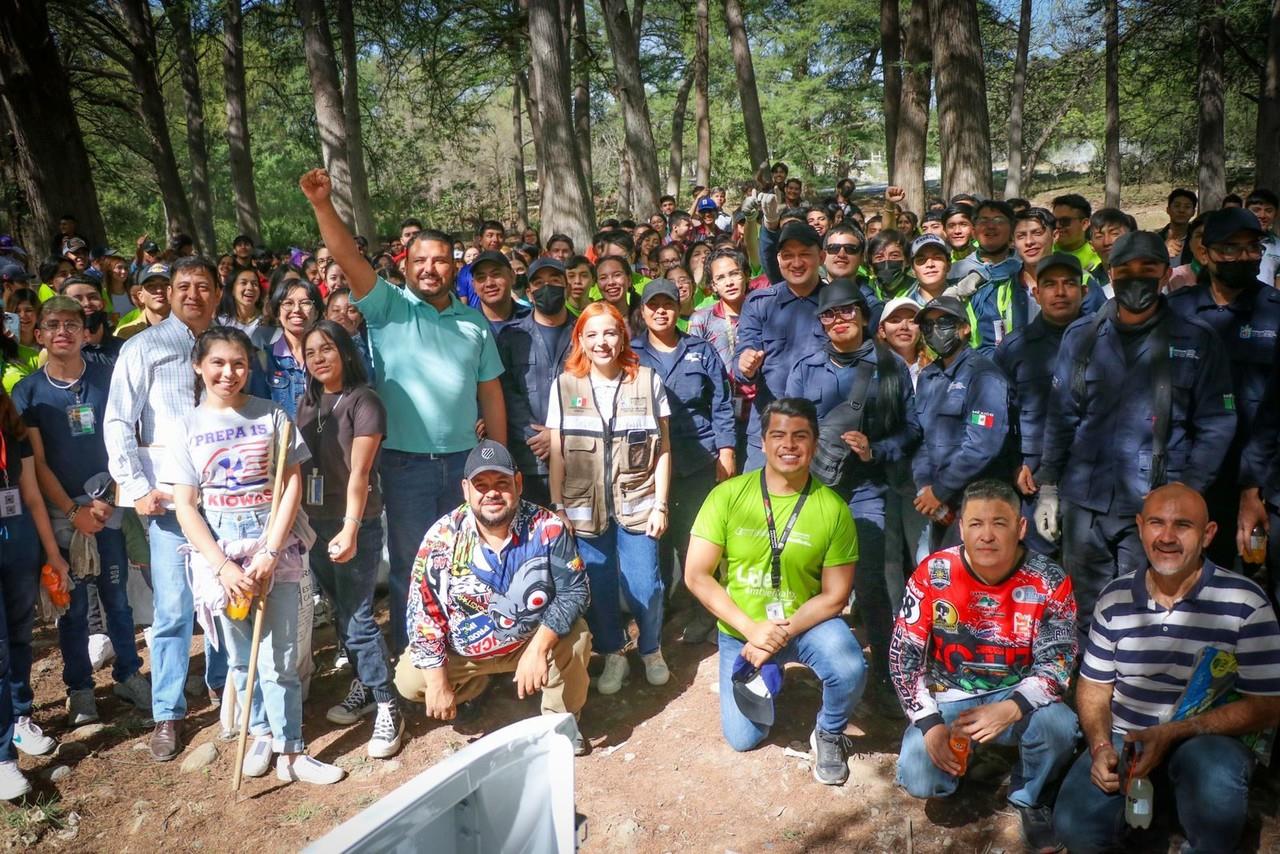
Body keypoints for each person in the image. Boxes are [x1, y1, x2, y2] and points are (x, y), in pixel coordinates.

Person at [300, 168, 506, 655]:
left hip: (465, 466)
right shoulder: (387, 307)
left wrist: (497, 458)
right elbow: (348, 258)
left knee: (466, 564)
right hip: (405, 467)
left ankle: (466, 660)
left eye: (440, 261)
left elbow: (491, 394)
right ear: (406, 265)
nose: (430, 268)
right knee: (416, 566)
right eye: (421, 261)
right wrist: (323, 205)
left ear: (454, 268)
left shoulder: (473, 325)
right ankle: (419, 663)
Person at [1053, 484, 1280, 854]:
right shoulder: (1115, 598)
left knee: (1214, 784)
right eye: (1156, 523)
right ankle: (1153, 815)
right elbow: (1094, 687)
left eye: (1183, 525)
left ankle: (1201, 829)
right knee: (1074, 828)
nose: (1167, 537)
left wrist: (1175, 732)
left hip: (1205, 741)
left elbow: (1269, 705)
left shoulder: (1245, 602)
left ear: (1207, 535)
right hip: (1127, 737)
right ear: (1140, 527)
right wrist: (1097, 746)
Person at [1035, 232, 1236, 647]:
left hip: (1157, 504)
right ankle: (1091, 697)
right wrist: (1049, 486)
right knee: (1085, 611)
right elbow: (1061, 415)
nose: (1137, 279)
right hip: (1085, 502)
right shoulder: (1082, 336)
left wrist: (1188, 492)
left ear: (1166, 274)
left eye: (1148, 269)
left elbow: (1217, 422)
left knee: (1150, 609)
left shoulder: (1196, 339)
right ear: (1110, 274)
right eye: (1125, 270)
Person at [167, 326, 342, 784]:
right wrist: (223, 567)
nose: (229, 373)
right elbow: (186, 506)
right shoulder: (186, 427)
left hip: (272, 544)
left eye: (239, 363)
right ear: (199, 366)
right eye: (219, 363)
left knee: (280, 655)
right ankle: (260, 731)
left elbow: (291, 485)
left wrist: (269, 550)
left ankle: (291, 750)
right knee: (243, 659)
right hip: (219, 552)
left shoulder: (272, 417)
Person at [683, 397, 865, 784]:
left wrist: (777, 636)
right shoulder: (727, 496)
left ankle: (829, 731)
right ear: (763, 443)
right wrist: (753, 632)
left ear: (814, 444)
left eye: (801, 436)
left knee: (849, 666)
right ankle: (769, 670)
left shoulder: (833, 509)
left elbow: (835, 595)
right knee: (744, 739)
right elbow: (697, 575)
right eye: (778, 435)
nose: (789, 445)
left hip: (805, 624)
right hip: (742, 629)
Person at [891, 480, 1078, 851]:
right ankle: (969, 761)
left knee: (1060, 726)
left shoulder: (1049, 579)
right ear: (961, 528)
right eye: (976, 523)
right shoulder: (933, 573)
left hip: (1016, 697)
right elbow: (903, 656)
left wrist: (1010, 708)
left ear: (1020, 528)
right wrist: (929, 725)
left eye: (1000, 523)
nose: (987, 535)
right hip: (950, 697)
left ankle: (1029, 796)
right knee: (919, 778)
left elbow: (1058, 664)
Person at [105, 256, 230, 761]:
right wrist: (135, 486)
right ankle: (168, 713)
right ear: (166, 293)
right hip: (170, 501)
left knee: (226, 601)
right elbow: (118, 421)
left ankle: (228, 689)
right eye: (183, 286)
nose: (193, 294)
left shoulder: (230, 348)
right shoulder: (143, 348)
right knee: (175, 610)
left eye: (204, 286)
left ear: (218, 292)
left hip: (227, 498)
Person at [396, 440, 592, 754]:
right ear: (465, 489)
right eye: (481, 485)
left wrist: (538, 648)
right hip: (466, 652)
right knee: (409, 679)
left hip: (527, 643)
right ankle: (475, 687)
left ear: (518, 483)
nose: (492, 493)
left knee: (578, 637)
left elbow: (575, 590)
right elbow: (424, 614)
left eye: (501, 483)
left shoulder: (548, 527)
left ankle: (561, 721)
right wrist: (437, 682)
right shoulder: (441, 537)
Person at [13, 296, 151, 731]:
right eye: (53, 324)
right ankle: (80, 689)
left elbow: (125, 437)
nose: (63, 332)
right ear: (39, 334)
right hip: (60, 512)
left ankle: (128, 673)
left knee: (117, 597)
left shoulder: (108, 379)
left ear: (85, 331)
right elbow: (35, 462)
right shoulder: (28, 392)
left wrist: (107, 497)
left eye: (72, 324)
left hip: (108, 502)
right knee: (70, 605)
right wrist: (72, 510)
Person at [785, 279, 918, 716]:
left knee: (873, 584)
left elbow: (912, 429)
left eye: (846, 312)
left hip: (867, 489)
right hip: (814, 489)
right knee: (802, 578)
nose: (838, 320)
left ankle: (884, 675)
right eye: (829, 314)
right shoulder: (805, 366)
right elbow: (788, 427)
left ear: (863, 315)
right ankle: (799, 665)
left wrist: (876, 449)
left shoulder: (890, 366)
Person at [547, 302, 671, 695]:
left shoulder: (647, 380)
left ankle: (651, 648)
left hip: (639, 504)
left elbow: (664, 448)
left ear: (623, 336)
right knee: (597, 587)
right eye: (593, 334)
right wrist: (558, 508)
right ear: (580, 339)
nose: (602, 342)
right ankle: (614, 652)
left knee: (647, 585)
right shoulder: (564, 385)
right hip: (583, 511)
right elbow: (557, 452)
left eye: (610, 332)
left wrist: (661, 504)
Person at [295, 320, 400, 758]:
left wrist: (351, 527)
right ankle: (363, 682)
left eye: (328, 349)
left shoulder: (364, 400)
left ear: (346, 352)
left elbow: (360, 472)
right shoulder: (306, 402)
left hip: (354, 520)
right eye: (311, 351)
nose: (319, 358)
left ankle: (388, 703)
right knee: (340, 614)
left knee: (358, 618)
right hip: (313, 521)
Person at [1168, 208, 1280, 569]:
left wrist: (1254, 485)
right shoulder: (1175, 312)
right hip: (1192, 471)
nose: (1244, 257)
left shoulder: (1274, 311)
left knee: (1253, 570)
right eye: (1231, 248)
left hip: (1261, 475)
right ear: (1205, 253)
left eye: (1252, 248)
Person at [632, 279, 736, 597]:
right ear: (642, 311)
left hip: (698, 460)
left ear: (679, 309)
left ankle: (704, 612)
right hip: (647, 465)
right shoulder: (631, 354)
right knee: (655, 543)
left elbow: (721, 402)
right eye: (653, 305)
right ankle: (661, 613)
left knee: (697, 540)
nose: (661, 311)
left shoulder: (700, 350)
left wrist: (727, 451)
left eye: (668, 305)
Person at [0, 374, 72, 797]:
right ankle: (4, 757)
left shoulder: (13, 429)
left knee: (21, 638)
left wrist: (53, 552)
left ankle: (21, 714)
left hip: (20, 547)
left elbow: (30, 497)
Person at [994, 253, 1088, 558]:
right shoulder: (1015, 347)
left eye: (1069, 284)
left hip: (1090, 473)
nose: (1060, 292)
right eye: (1050, 285)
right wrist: (1013, 464)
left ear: (1084, 291)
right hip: (1031, 474)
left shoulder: (1105, 340)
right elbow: (1002, 414)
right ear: (1036, 293)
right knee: (1037, 564)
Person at [909, 296, 1016, 557]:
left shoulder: (983, 375)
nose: (935, 331)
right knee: (945, 582)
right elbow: (922, 440)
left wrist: (941, 490)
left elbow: (982, 446)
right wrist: (926, 490)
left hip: (981, 503)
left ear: (964, 328)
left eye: (944, 322)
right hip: (940, 504)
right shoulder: (928, 376)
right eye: (928, 326)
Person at [733, 221, 828, 470]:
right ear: (778, 259)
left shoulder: (839, 302)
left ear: (821, 256)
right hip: (767, 430)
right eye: (788, 256)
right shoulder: (759, 303)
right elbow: (743, 356)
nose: (796, 263)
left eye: (805, 254)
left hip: (822, 433)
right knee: (757, 506)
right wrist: (746, 364)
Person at [495, 257, 574, 507]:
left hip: (578, 456)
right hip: (529, 458)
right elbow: (505, 391)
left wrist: (559, 434)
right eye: (538, 283)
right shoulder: (512, 335)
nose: (546, 287)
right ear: (529, 293)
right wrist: (536, 435)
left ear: (567, 286)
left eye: (554, 281)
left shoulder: (585, 332)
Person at [264, 278, 323, 420]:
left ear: (316, 312)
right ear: (278, 312)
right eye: (288, 303)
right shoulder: (264, 360)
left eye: (305, 303)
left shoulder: (329, 358)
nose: (296, 310)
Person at [62, 276, 122, 365]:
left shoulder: (125, 348)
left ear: (103, 303)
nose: (86, 303)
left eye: (93, 297)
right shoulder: (59, 354)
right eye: (77, 299)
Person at [115, 263, 171, 341]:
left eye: (166, 284)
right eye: (151, 286)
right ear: (141, 296)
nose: (159, 290)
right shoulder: (124, 334)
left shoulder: (190, 327)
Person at [1051, 193, 1102, 273]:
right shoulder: (1043, 253)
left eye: (1065, 221)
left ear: (1084, 224)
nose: (1057, 226)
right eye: (1054, 221)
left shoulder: (1100, 258)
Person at [217, 266, 264, 335]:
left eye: (255, 284)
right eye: (243, 283)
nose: (250, 288)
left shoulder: (266, 321)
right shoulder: (221, 322)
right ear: (232, 290)